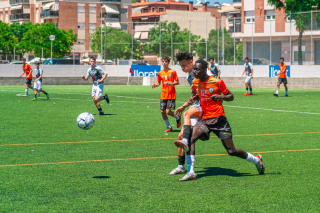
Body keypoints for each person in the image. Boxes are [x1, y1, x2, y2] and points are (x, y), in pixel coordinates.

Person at [175, 59, 265, 181]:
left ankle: (256, 160)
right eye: (194, 69)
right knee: (190, 139)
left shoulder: (217, 82)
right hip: (205, 119)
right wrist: (194, 98)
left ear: (205, 69)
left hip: (219, 120)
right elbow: (201, 94)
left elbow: (231, 96)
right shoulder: (196, 82)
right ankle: (191, 171)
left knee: (231, 151)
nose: (194, 71)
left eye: (197, 69)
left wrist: (221, 96)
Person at [168, 53, 212, 175]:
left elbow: (211, 82)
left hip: (206, 107)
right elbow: (195, 96)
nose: (182, 68)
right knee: (180, 136)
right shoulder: (189, 77)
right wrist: (183, 105)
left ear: (191, 63)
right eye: (181, 66)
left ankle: (194, 137)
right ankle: (181, 166)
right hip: (197, 105)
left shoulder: (201, 73)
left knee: (187, 117)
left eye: (184, 65)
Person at [152, 55, 181, 132]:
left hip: (171, 95)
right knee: (162, 111)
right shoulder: (160, 73)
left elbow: (177, 82)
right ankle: (169, 127)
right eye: (163, 61)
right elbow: (158, 83)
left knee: (168, 111)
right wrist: (155, 85)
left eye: (166, 61)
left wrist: (171, 83)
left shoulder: (173, 72)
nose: (164, 63)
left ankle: (178, 118)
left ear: (168, 63)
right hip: (163, 94)